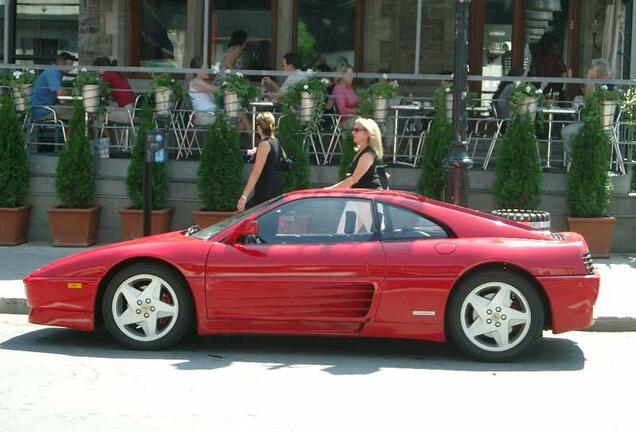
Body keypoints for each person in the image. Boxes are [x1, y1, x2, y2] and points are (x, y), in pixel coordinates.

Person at [561, 58, 612, 165]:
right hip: (591, 124)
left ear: (600, 73)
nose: (589, 71)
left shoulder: (608, 87)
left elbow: (590, 102)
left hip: (600, 126)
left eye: (592, 70)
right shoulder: (598, 85)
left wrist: (589, 79)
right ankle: (579, 159)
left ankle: (579, 161)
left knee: (566, 132)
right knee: (567, 131)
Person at [237, 112, 284, 211]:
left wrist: (244, 196)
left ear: (259, 128)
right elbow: (282, 158)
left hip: (265, 192)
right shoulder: (276, 141)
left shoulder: (264, 144)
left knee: (245, 216)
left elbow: (256, 173)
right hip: (276, 189)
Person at [327, 117, 383, 190]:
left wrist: (331, 190)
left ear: (366, 133)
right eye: (353, 130)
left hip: (370, 196)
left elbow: (353, 179)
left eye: (357, 130)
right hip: (362, 196)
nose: (353, 132)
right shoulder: (360, 151)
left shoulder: (367, 155)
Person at [31, 51, 76, 121]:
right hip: (43, 110)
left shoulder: (53, 71)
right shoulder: (53, 72)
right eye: (70, 65)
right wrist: (74, 96)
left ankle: (70, 131)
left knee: (74, 110)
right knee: (77, 112)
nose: (71, 68)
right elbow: (60, 93)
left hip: (43, 108)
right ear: (62, 64)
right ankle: (73, 132)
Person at [93, 56, 136, 124]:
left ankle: (102, 134)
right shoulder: (117, 73)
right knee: (101, 111)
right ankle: (105, 134)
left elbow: (101, 90)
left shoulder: (107, 75)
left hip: (125, 113)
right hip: (131, 110)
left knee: (98, 112)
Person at [188, 57, 218, 126]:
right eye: (205, 68)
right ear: (197, 71)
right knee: (232, 119)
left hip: (210, 114)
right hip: (204, 116)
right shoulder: (196, 82)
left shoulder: (200, 82)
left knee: (236, 117)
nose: (208, 70)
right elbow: (216, 90)